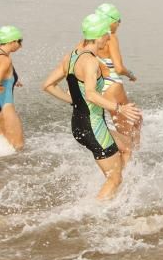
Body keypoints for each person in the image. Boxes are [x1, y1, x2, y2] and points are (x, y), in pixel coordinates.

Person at [42, 13, 142, 201]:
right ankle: (95, 212)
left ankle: (120, 195)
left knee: (127, 147)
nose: (108, 38)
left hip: (79, 124)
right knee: (114, 178)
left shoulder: (71, 57)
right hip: (93, 126)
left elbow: (47, 85)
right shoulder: (91, 61)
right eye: (106, 34)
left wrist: (73, 100)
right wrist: (119, 108)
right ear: (99, 36)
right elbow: (91, 94)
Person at [95, 3, 141, 156]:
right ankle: (127, 167)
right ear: (110, 21)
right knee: (127, 131)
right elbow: (119, 68)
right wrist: (131, 75)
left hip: (101, 87)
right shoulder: (110, 37)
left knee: (137, 119)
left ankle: (133, 158)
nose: (119, 24)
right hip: (113, 86)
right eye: (118, 20)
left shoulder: (89, 39)